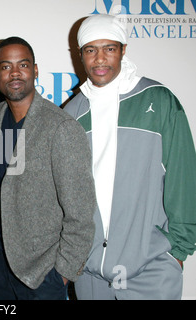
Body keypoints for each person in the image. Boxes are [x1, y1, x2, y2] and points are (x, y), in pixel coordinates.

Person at [64, 14, 196, 300]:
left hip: (151, 268)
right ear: (80, 56)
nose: (100, 59)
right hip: (89, 274)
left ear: (123, 49)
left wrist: (178, 250)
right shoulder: (70, 114)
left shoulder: (158, 100)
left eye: (109, 48)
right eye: (90, 50)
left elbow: (183, 178)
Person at [0, 36, 96, 300]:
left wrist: (62, 273)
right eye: (5, 66)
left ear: (35, 70)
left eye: (23, 65)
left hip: (41, 275)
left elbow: (80, 213)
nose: (14, 73)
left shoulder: (60, 127)